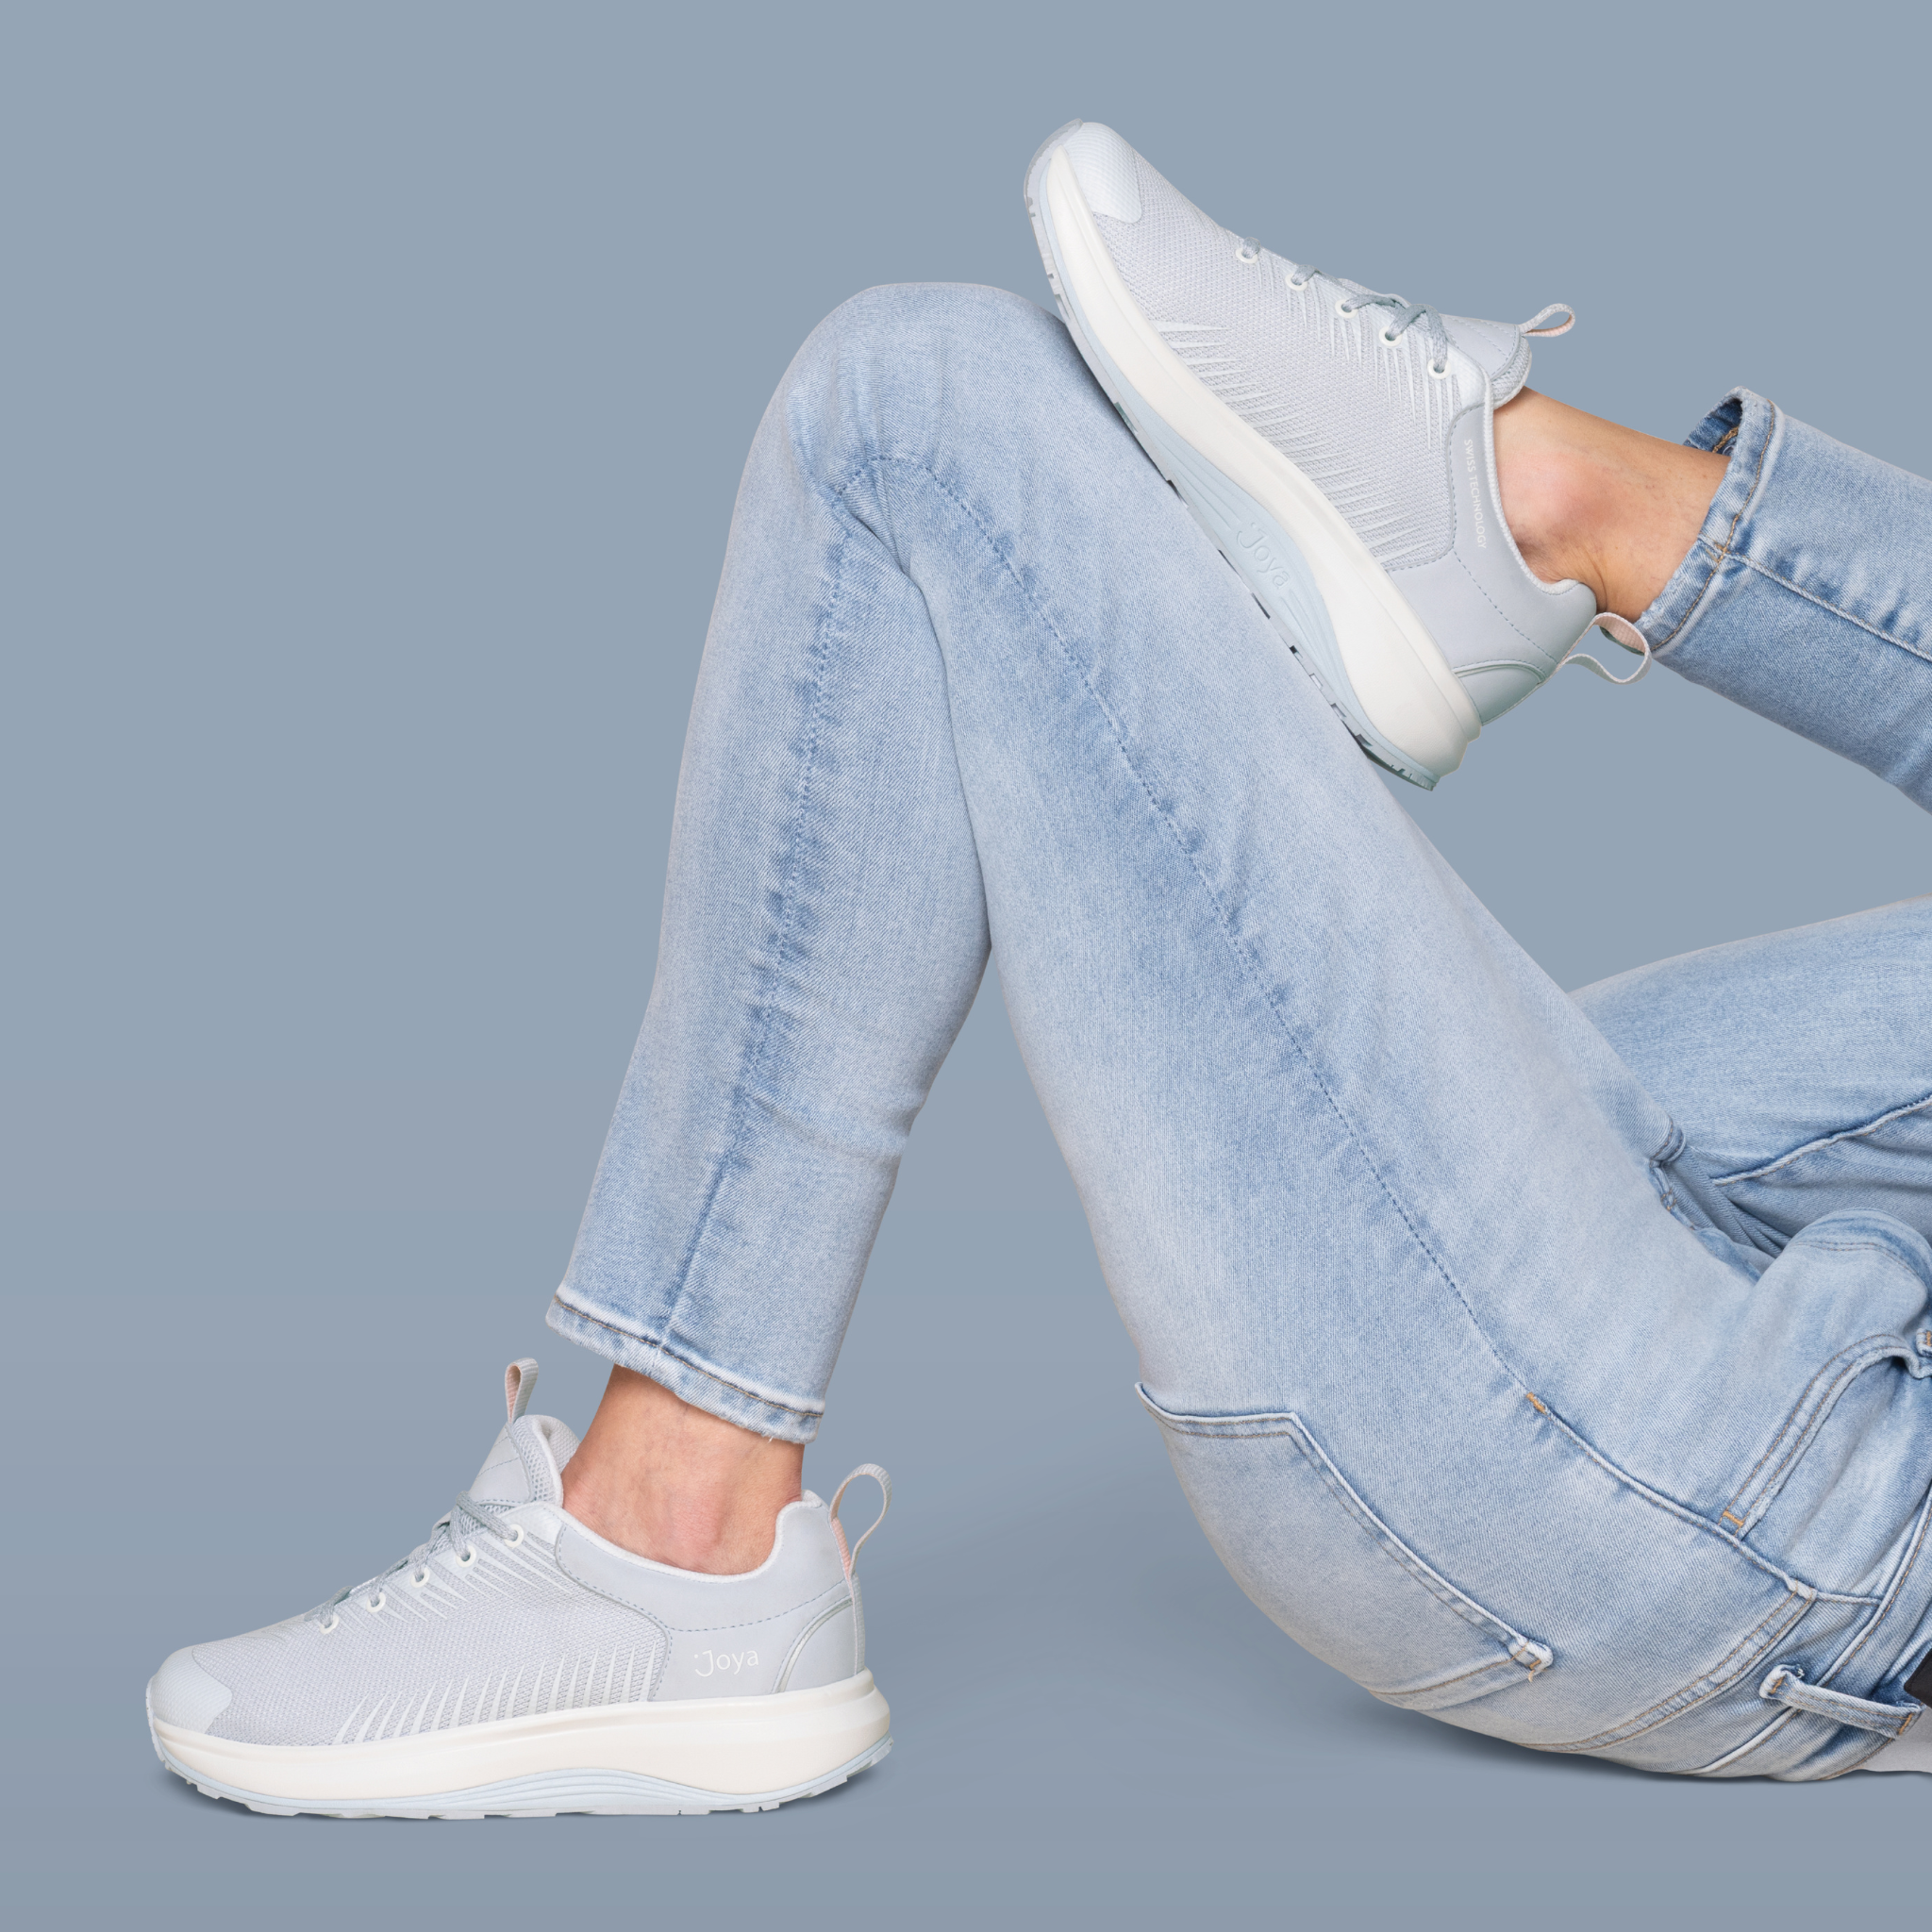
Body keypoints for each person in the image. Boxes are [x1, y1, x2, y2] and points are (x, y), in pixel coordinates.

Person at [146, 122, 1932, 1816]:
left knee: (919, 411)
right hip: (1789, 1282)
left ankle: (664, 1545)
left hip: (1730, 1518)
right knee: (928, 400)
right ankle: (1546, 496)